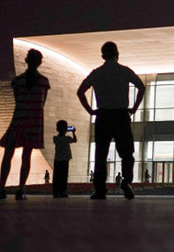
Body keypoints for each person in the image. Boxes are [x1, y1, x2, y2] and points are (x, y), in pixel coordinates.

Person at [77, 41, 145, 200]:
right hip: (121, 115)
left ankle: (100, 189)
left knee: (101, 154)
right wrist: (134, 108)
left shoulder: (96, 73)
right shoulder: (124, 71)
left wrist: (90, 110)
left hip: (103, 116)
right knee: (127, 153)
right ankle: (127, 183)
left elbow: (80, 91)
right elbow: (141, 87)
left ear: (102, 56)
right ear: (117, 54)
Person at [0, 49, 50, 201]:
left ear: (26, 60)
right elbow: (42, 103)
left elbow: (18, 101)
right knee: (26, 156)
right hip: (34, 121)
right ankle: (21, 189)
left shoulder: (17, 81)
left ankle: (1, 188)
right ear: (39, 63)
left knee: (8, 154)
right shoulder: (44, 82)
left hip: (19, 119)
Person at [52, 120, 77, 198]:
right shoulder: (67, 138)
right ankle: (63, 191)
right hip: (65, 159)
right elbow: (75, 140)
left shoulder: (55, 138)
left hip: (57, 159)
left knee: (57, 176)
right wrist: (73, 132)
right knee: (64, 176)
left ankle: (56, 191)